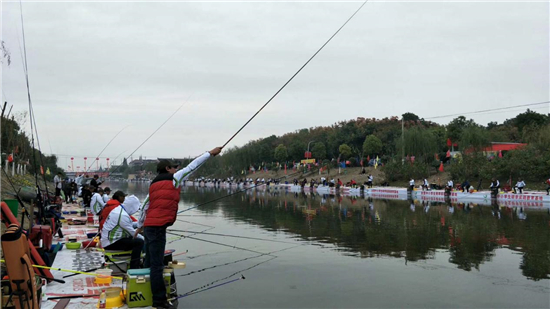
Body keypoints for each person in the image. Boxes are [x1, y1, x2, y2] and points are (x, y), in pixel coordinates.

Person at [136, 147, 222, 309]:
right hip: (156, 228)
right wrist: (210, 154)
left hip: (149, 227)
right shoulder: (174, 178)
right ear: (168, 169)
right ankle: (159, 301)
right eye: (174, 166)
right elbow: (192, 166)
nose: (176, 169)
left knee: (149, 262)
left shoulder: (153, 185)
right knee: (157, 265)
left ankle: (145, 292)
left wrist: (140, 226)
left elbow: (144, 207)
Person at [101, 195, 143, 269]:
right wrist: (145, 240)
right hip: (111, 243)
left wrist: (140, 224)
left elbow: (129, 225)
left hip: (108, 240)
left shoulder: (119, 209)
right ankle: (134, 267)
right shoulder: (122, 215)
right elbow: (134, 233)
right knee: (139, 242)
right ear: (132, 207)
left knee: (136, 240)